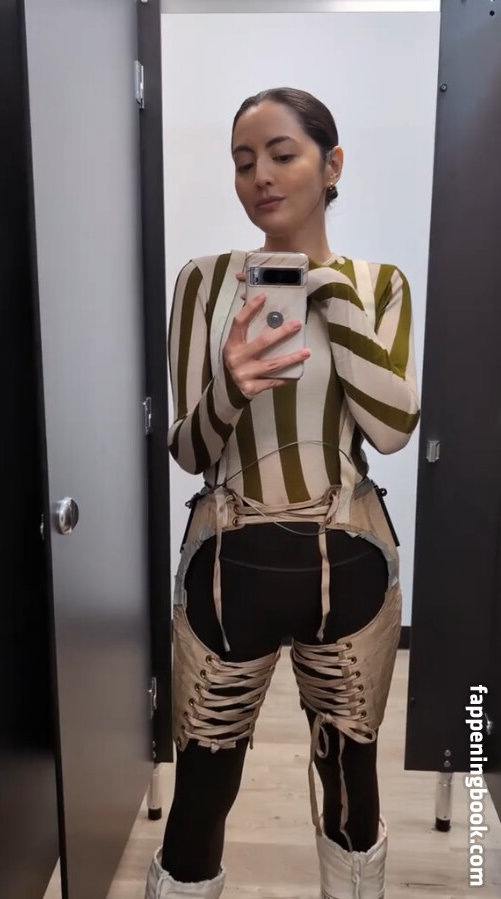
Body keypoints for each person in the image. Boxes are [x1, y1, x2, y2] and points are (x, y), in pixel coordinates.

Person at [145, 87, 420, 899]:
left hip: (352, 560)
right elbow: (189, 450)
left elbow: (393, 429)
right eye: (242, 161)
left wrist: (326, 288)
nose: (259, 176)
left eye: (281, 153)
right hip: (228, 566)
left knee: (352, 787)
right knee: (201, 792)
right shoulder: (203, 284)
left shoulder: (379, 285)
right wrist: (230, 386)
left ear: (332, 165)